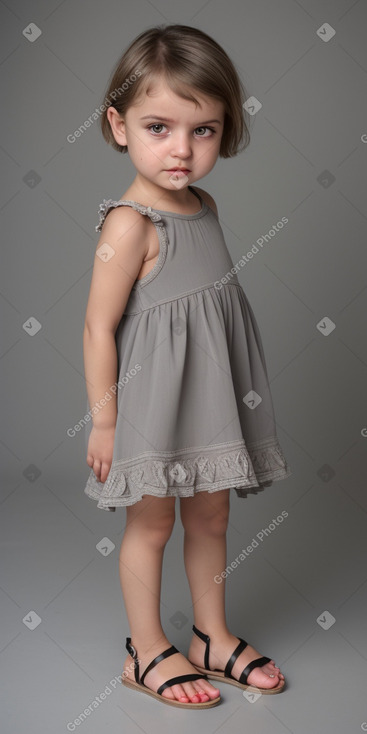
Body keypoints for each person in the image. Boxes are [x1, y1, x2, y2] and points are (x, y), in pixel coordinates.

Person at [83, 24, 291, 709]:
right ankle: (145, 651)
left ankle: (210, 635)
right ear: (118, 125)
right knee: (153, 525)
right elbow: (97, 326)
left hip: (211, 400)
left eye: (203, 130)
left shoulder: (204, 206)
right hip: (152, 405)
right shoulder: (130, 224)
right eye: (159, 126)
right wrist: (106, 419)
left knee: (211, 522)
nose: (181, 149)